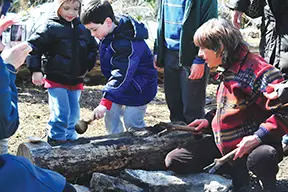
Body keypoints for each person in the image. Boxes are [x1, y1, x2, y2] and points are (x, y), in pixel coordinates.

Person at [164, 18, 288, 192]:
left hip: (254, 146)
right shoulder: (228, 67)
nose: (200, 54)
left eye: (203, 48)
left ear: (220, 48)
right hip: (226, 145)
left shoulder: (259, 71)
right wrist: (208, 120)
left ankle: (266, 185)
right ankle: (232, 171)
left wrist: (257, 137)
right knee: (175, 160)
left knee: (261, 158)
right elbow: (231, 106)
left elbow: (285, 112)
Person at [80, 0, 158, 134]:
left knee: (132, 121)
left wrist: (105, 100)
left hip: (139, 87)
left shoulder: (127, 43)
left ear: (108, 22)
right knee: (111, 117)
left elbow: (121, 72)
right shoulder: (110, 32)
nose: (92, 34)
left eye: (94, 29)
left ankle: (141, 148)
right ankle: (116, 146)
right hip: (120, 86)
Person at [26, 0, 98, 144]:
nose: (71, 13)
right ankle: (56, 138)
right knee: (61, 112)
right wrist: (35, 70)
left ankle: (70, 138)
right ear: (58, 7)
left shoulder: (83, 27)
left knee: (74, 114)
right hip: (56, 78)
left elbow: (92, 47)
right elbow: (33, 47)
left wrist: (87, 65)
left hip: (76, 79)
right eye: (66, 8)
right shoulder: (50, 26)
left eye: (75, 9)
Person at [226, 0, 288, 152]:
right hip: (272, 37)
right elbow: (255, 11)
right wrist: (239, 7)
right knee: (273, 89)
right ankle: (271, 135)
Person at [153, 0, 217, 124]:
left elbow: (210, 26)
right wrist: (158, 50)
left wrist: (200, 60)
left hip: (192, 56)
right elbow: (160, 21)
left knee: (192, 111)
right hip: (169, 54)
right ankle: (178, 140)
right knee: (174, 107)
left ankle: (196, 141)